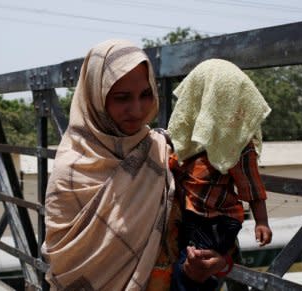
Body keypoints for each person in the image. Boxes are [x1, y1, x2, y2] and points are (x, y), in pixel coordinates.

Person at [41, 40, 227, 291]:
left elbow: (196, 228)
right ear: (96, 97)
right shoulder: (71, 173)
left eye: (146, 94)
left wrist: (208, 261)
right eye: (122, 97)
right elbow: (65, 262)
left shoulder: (161, 151)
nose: (137, 109)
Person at [167, 59, 273, 291]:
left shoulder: (236, 144)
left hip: (216, 220)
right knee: (187, 261)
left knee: (197, 264)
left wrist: (262, 221)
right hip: (190, 215)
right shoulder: (184, 137)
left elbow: (252, 186)